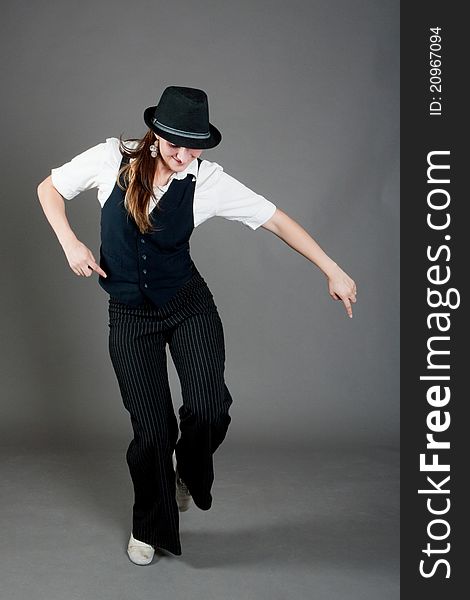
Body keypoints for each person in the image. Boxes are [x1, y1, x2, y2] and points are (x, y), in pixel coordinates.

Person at [37, 85, 357, 566]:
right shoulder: (111, 159)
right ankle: (149, 527)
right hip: (128, 314)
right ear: (155, 134)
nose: (184, 155)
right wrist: (70, 243)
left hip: (188, 305)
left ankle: (187, 471)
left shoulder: (208, 181)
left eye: (195, 146)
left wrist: (331, 268)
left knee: (211, 407)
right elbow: (49, 188)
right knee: (151, 431)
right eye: (175, 145)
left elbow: (276, 220)